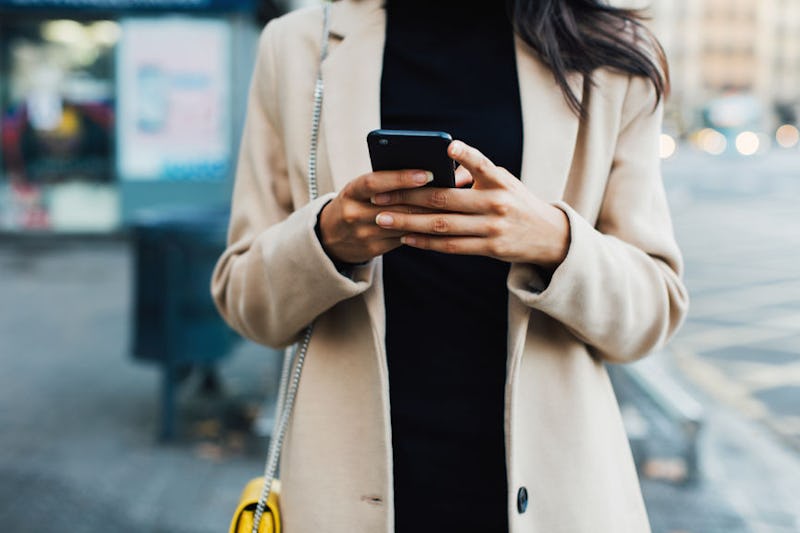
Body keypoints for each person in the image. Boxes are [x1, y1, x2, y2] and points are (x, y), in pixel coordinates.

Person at [211, 0, 689, 532]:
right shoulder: (298, 44)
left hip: (556, 493)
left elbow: (653, 313)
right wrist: (324, 241)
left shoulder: (610, 53)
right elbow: (244, 301)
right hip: (345, 493)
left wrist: (555, 241)